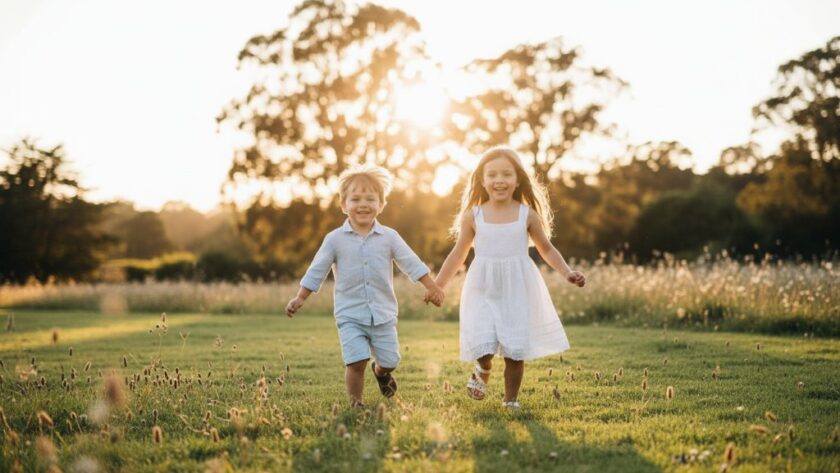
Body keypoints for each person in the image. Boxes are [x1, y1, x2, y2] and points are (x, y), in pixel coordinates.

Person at [431, 146, 585, 408]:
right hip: (482, 286)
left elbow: (546, 249)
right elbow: (458, 254)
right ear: (482, 180)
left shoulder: (527, 214)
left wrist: (567, 272)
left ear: (517, 180)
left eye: (506, 174)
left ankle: (510, 401)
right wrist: (437, 285)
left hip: (517, 288)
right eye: (492, 175)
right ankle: (484, 368)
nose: (499, 180)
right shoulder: (473, 216)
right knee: (483, 343)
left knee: (515, 351)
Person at [286, 163, 444, 407]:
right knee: (356, 361)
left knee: (391, 360)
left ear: (381, 205)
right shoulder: (335, 239)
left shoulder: (389, 237)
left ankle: (380, 372)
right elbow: (317, 270)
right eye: (355, 198)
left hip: (383, 313)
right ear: (343, 205)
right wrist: (300, 297)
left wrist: (432, 286)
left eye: (370, 199)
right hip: (350, 313)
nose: (363, 204)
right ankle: (356, 404)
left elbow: (410, 262)